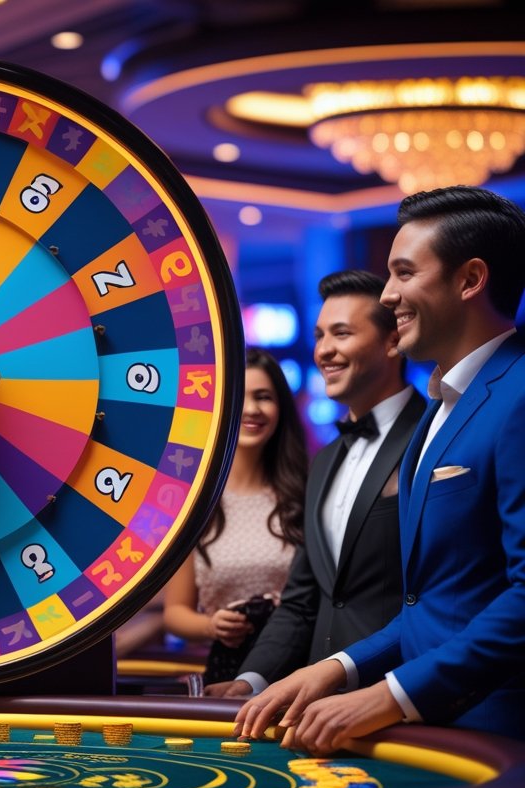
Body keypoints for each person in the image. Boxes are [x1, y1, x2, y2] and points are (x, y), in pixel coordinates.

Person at [236, 185, 525, 752]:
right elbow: (434, 606)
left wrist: (391, 694)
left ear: (470, 280)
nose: (387, 295)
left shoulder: (518, 393)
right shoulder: (441, 409)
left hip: (501, 739)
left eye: (403, 273)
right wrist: (336, 667)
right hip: (435, 733)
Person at [207, 270, 425, 697]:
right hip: (314, 705)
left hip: (398, 698)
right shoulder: (323, 462)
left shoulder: (432, 437)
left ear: (393, 341)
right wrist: (249, 680)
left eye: (341, 334)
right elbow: (302, 601)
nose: (324, 350)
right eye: (320, 335)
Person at [163, 348, 307, 685]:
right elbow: (175, 613)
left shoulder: (306, 494)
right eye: (240, 396)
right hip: (225, 670)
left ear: (281, 408)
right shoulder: (193, 503)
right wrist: (212, 625)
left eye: (264, 397)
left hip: (297, 669)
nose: (252, 409)